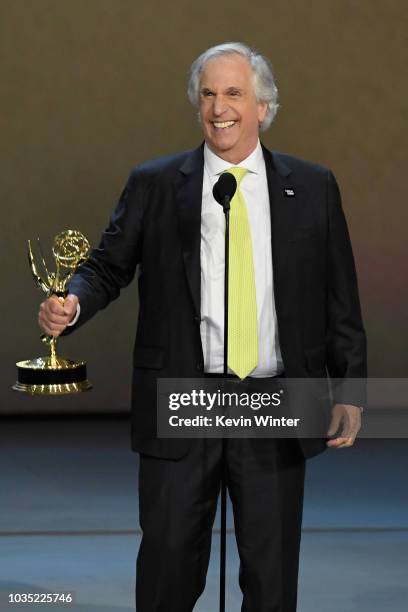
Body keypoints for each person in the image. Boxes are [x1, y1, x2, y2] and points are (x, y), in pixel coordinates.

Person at [38, 42, 367, 612]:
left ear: (263, 106)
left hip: (273, 403)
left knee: (271, 579)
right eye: (208, 94)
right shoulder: (157, 184)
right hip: (183, 400)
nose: (220, 107)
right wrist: (74, 303)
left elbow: (341, 297)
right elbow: (106, 267)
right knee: (167, 571)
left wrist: (353, 392)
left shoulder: (313, 187)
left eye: (234, 93)